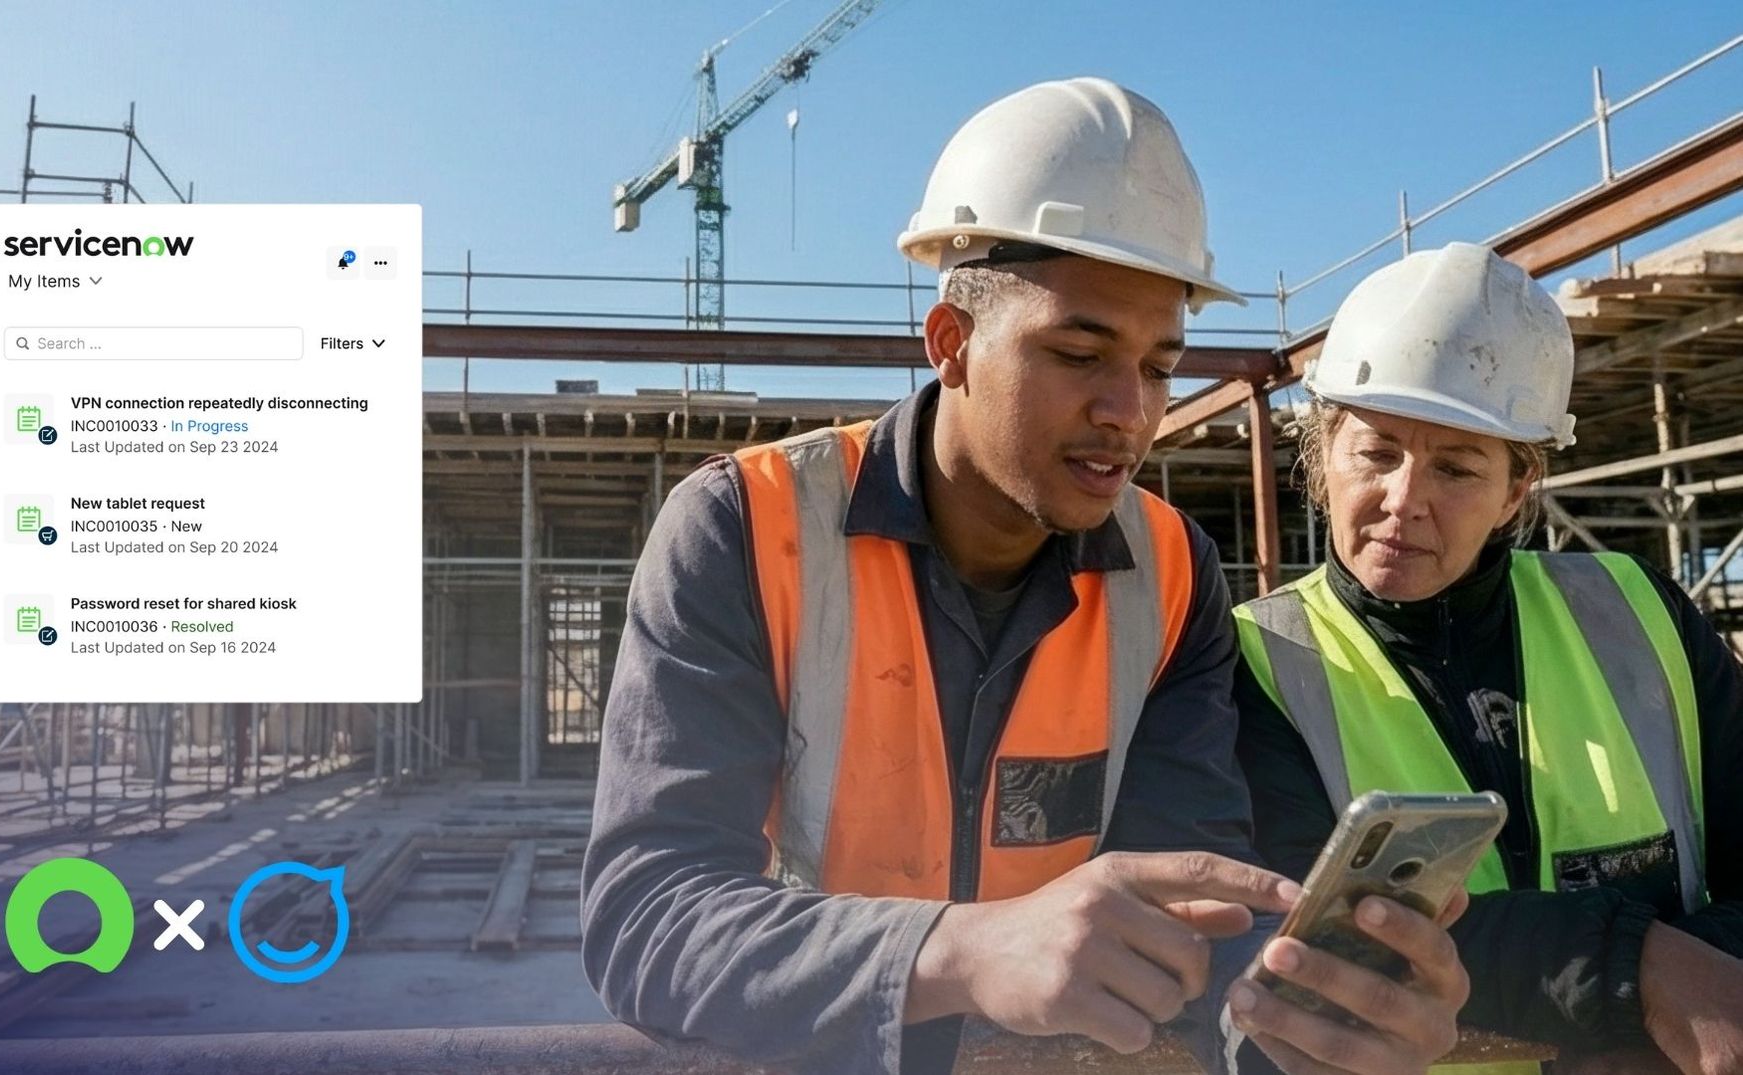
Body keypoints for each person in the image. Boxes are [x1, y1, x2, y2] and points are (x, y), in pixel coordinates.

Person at [582, 77, 1467, 1075]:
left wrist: (1310, 1003)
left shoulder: (1173, 571)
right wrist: (957, 949)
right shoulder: (745, 529)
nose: (1128, 413)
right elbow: (648, 919)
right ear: (952, 345)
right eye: (1079, 353)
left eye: (1158, 367)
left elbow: (1189, 911)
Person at [1233, 242, 1743, 1074]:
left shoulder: (1633, 609)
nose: (1404, 500)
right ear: (1323, 456)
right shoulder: (1254, 659)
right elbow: (1309, 939)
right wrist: (1636, 975)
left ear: (1516, 488)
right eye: (1376, 451)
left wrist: (1688, 982)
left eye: (1457, 466)